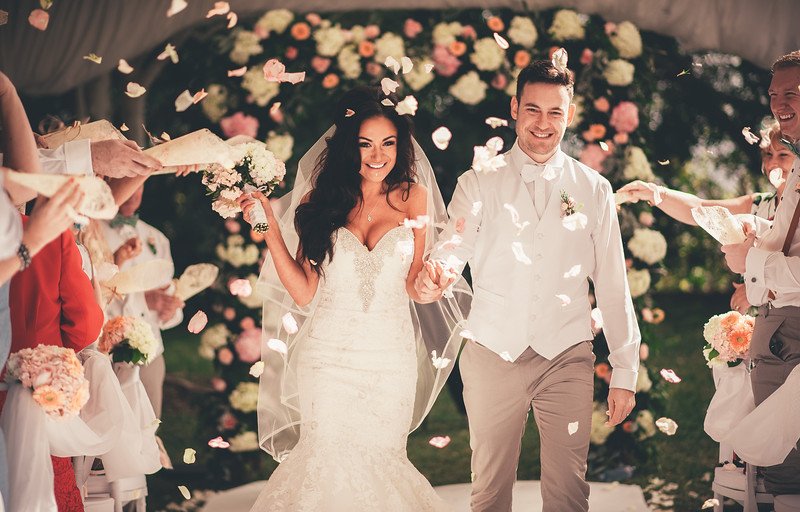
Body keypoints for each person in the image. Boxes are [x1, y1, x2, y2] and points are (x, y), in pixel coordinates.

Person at [416, 58, 641, 512]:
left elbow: (613, 283)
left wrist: (625, 371)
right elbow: (454, 246)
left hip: (567, 352)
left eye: (555, 112)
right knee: (490, 490)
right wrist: (438, 273)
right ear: (515, 108)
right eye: (533, 109)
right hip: (491, 351)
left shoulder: (593, 188)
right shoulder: (478, 181)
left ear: (569, 114)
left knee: (568, 492)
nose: (543, 122)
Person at [240, 86, 467, 511]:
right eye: (365, 144)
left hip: (390, 359)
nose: (378, 155)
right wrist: (270, 227)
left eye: (388, 143)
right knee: (324, 459)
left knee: (383, 460)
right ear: (349, 146)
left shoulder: (414, 197)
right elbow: (304, 292)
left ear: (400, 147)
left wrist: (432, 285)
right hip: (326, 359)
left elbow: (415, 284)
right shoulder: (319, 202)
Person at [722, 50, 800, 499]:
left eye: (792, 93)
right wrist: (758, 231)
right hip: (779, 334)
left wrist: (748, 260)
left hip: (791, 335)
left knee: (789, 479)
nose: (779, 104)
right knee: (782, 475)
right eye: (774, 94)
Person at [618, 120, 793, 313]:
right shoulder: (758, 204)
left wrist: (757, 290)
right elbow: (700, 210)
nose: (772, 162)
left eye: (783, 154)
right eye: (768, 154)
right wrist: (656, 193)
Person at [101, 183, 184, 418]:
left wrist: (170, 309)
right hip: (106, 352)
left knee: (150, 425)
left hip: (151, 353)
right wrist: (143, 300)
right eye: (128, 182)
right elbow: (92, 289)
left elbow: (169, 293)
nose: (133, 192)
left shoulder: (156, 238)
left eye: (139, 185)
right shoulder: (92, 231)